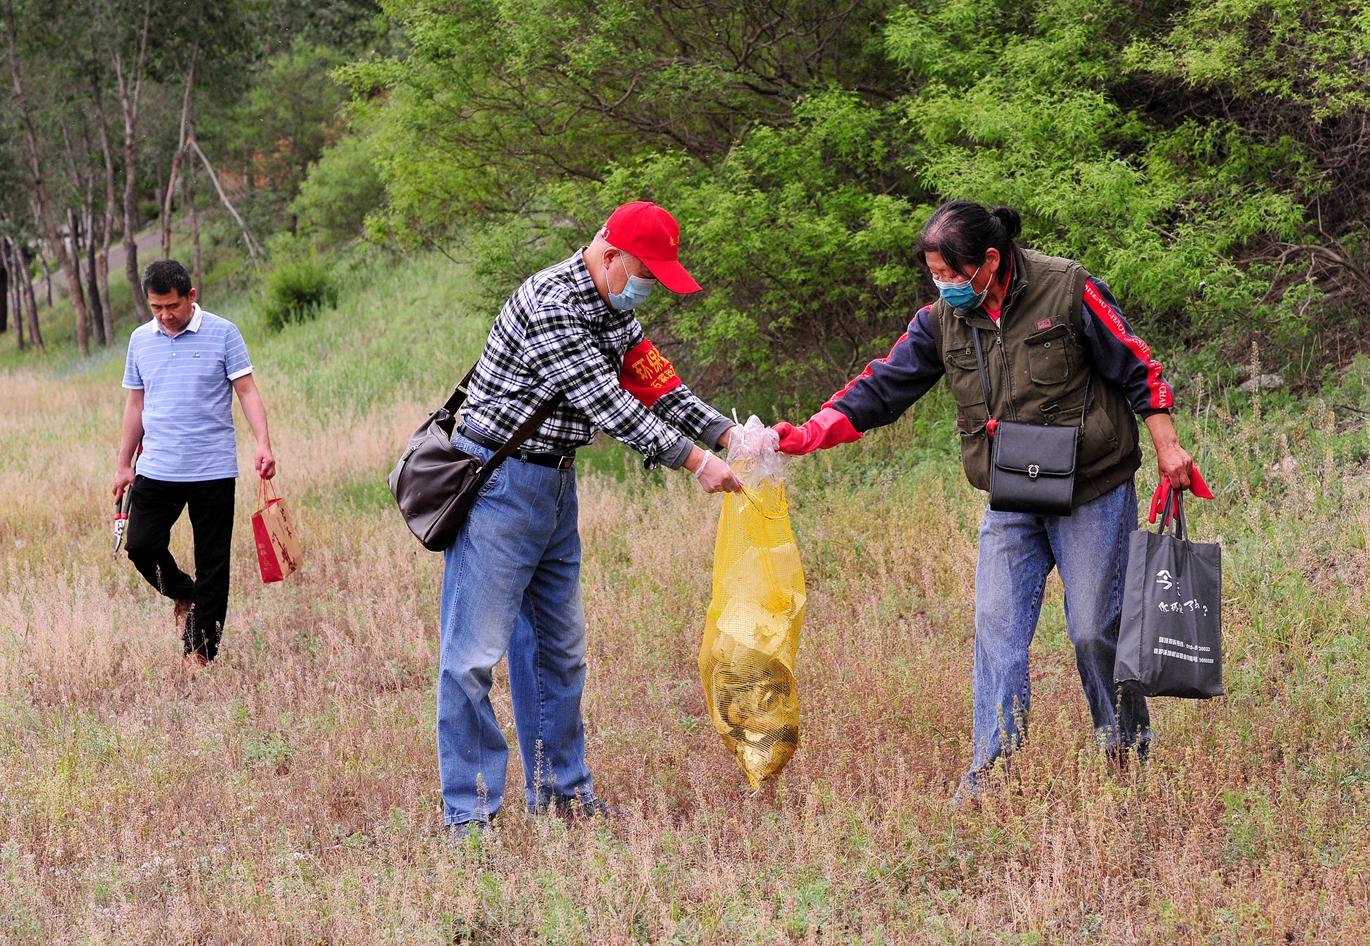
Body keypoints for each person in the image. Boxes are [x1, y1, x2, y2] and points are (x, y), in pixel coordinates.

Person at [773, 200, 1208, 798]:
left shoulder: (1068, 288)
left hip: (1092, 488)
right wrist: (802, 435)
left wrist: (1169, 448)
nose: (945, 287)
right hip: (1010, 495)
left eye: (954, 275)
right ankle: (992, 774)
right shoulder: (940, 323)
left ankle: (1125, 749)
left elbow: (1138, 366)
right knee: (998, 631)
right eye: (936, 276)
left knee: (1092, 631)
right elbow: (881, 388)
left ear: (992, 261)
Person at [438, 201, 742, 837]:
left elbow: (656, 383)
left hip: (553, 487)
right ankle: (469, 818)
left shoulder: (611, 307)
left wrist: (724, 433)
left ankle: (560, 793)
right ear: (610, 256)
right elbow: (607, 404)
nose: (646, 289)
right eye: (643, 275)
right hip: (500, 485)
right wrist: (696, 463)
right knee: (472, 656)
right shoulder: (552, 301)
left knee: (562, 648)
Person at [112, 260, 275, 680]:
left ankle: (199, 654)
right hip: (157, 468)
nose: (164, 315)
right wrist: (122, 464)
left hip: (212, 470)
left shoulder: (224, 333)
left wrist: (262, 443)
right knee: (141, 545)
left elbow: (247, 391)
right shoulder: (140, 340)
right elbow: (135, 405)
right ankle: (185, 594)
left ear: (191, 297)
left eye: (171, 306)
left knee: (214, 563)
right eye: (155, 307)